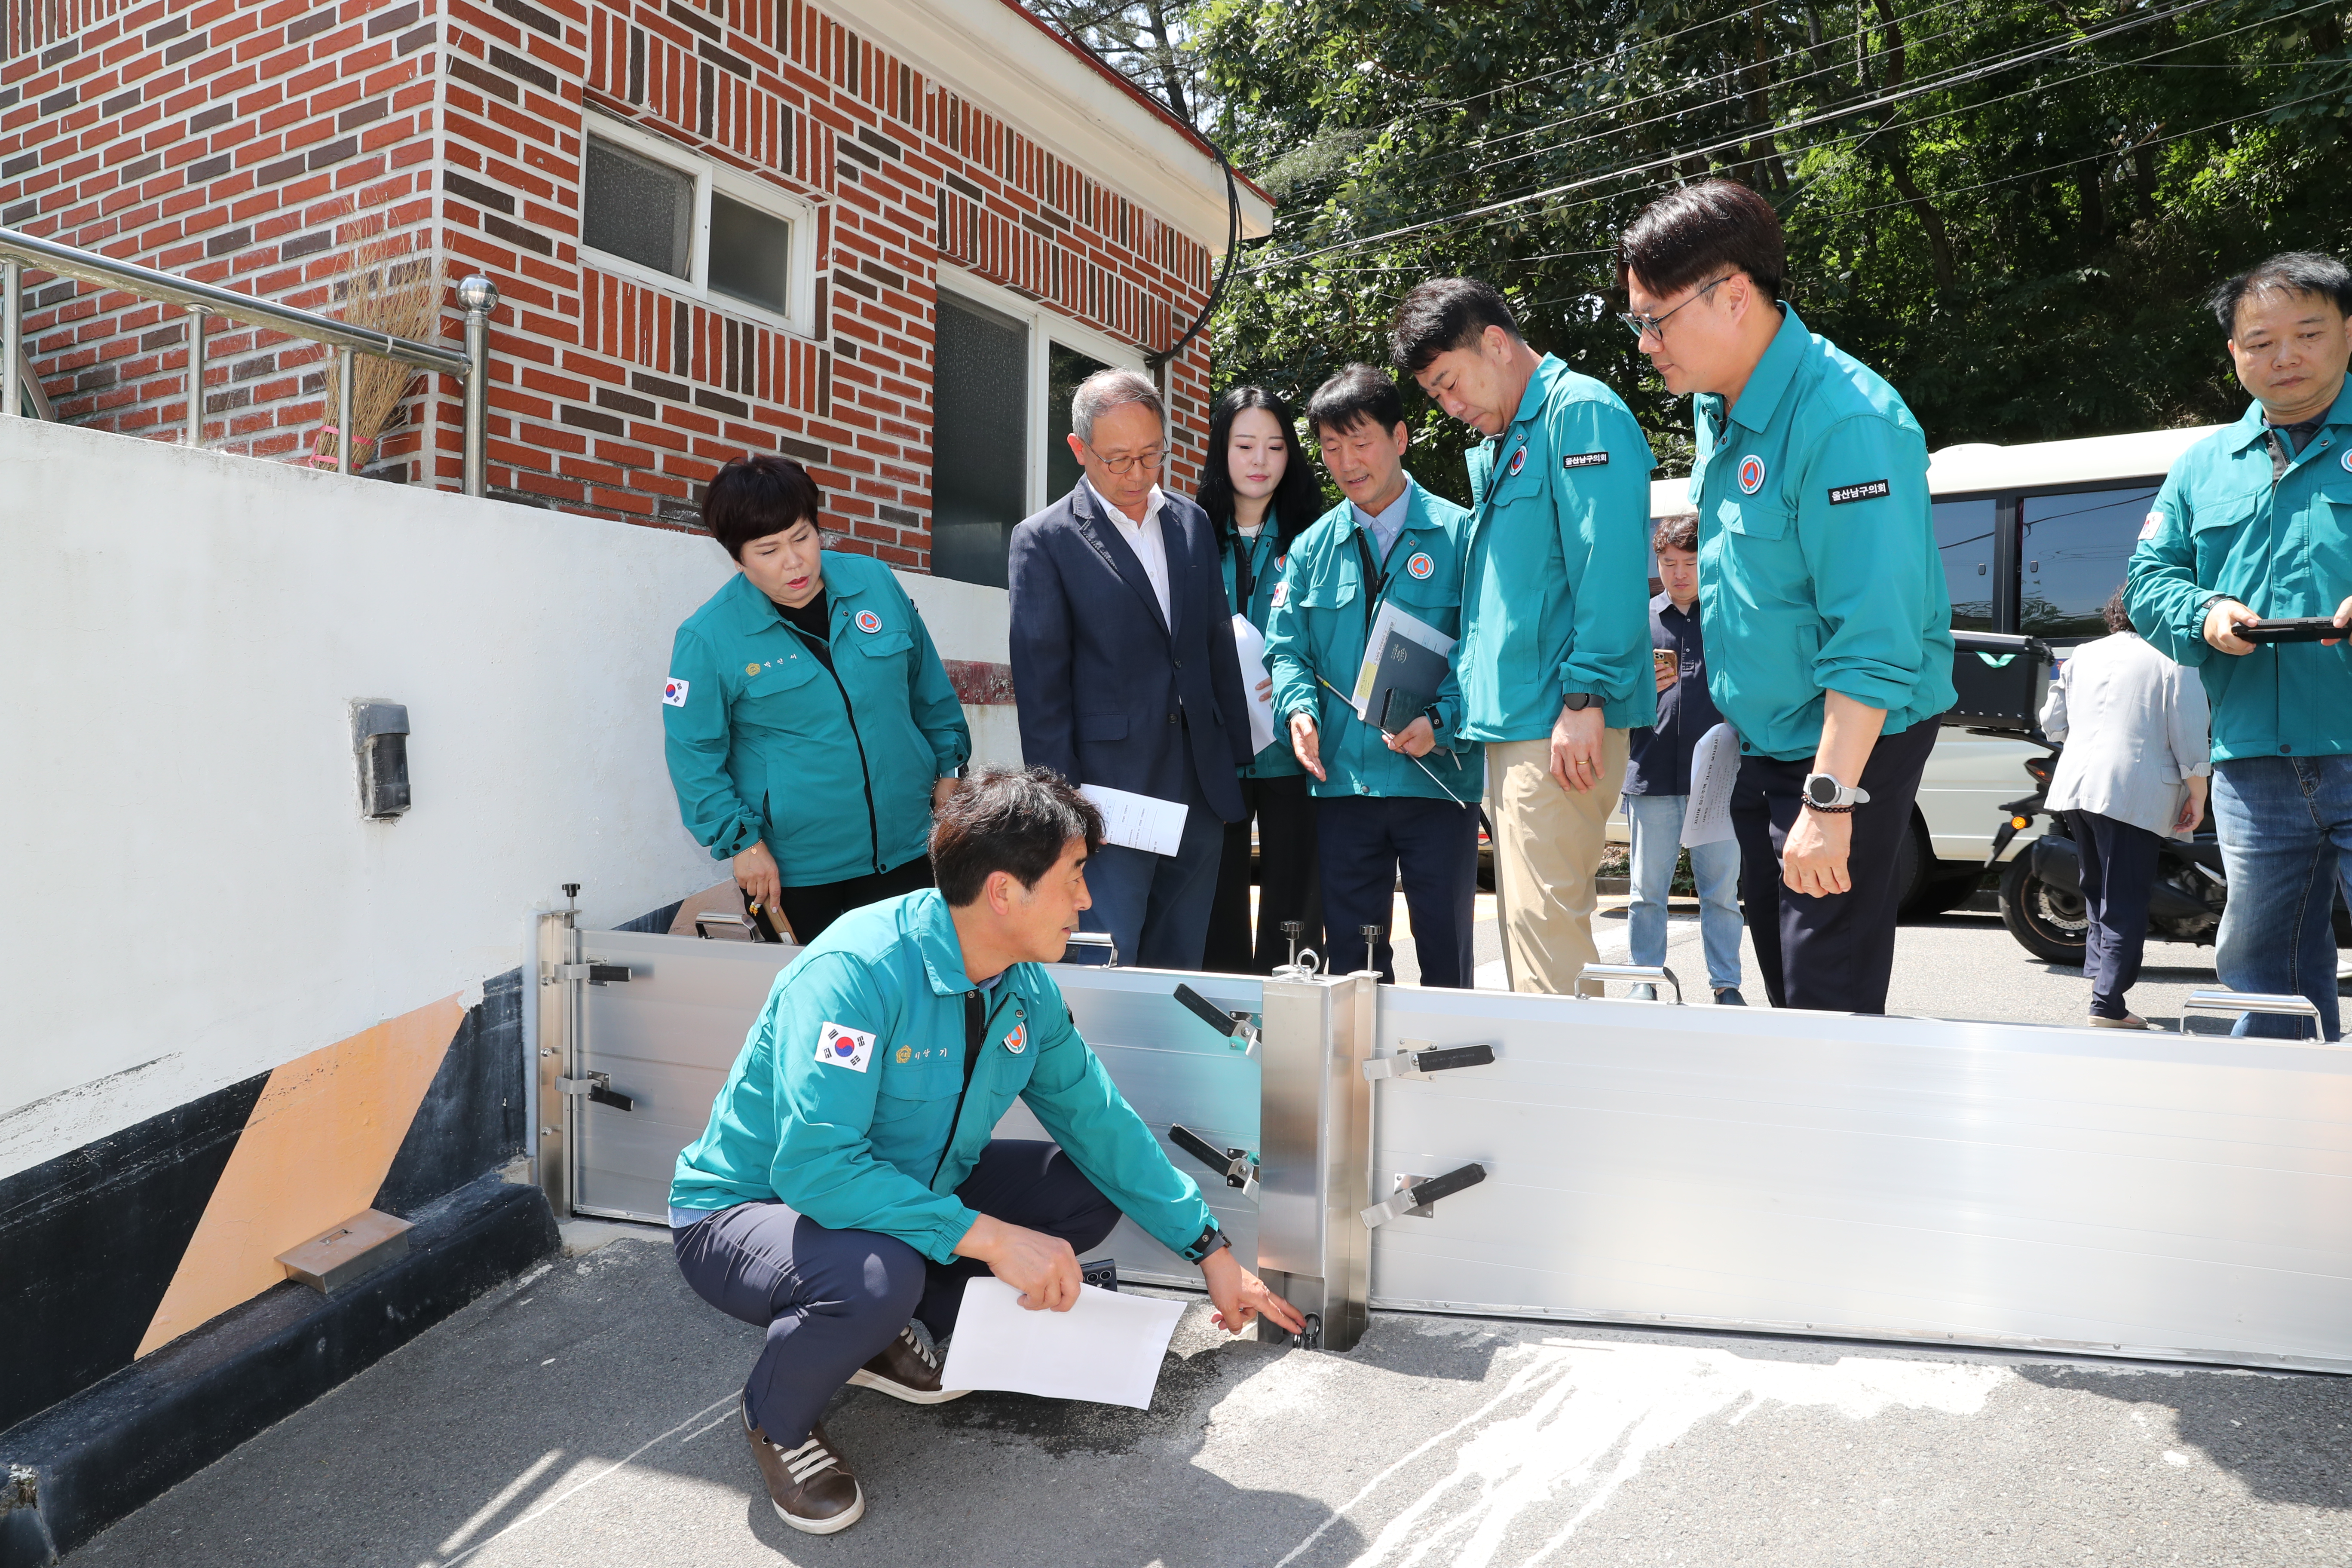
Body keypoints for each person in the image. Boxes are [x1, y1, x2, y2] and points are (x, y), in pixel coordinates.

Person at [668, 767, 1303, 1534]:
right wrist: (997, 1239)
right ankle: (779, 1415)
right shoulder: (856, 973)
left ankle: (879, 1335)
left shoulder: (1022, 987)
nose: (1086, 899)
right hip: (750, 1209)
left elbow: (1099, 1121)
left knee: (1082, 1189)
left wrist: (1208, 1246)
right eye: (1073, 878)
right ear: (1003, 892)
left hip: (902, 1191)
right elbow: (815, 1167)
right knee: (878, 1278)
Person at [1618, 180, 1955, 1016]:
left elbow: (1876, 638)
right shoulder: (1716, 408)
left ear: (1733, 296)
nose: (1646, 343)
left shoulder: (1846, 423)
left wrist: (1830, 801)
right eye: (1637, 322)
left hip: (1848, 748)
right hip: (1767, 741)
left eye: (1655, 319)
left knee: (1825, 1007)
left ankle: (1847, 1146)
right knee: (1788, 994)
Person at [1391, 278, 1656, 996]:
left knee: (1547, 947)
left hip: (1558, 719)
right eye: (1435, 395)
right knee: (1533, 936)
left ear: (1498, 344)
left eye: (1449, 382)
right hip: (1522, 723)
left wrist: (1585, 696)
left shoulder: (1580, 415)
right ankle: (1560, 1098)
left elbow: (1611, 572)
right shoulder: (1518, 439)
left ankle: (1565, 1103)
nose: (1449, 405)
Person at [2125, 250, 2352, 1041]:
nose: (2283, 356)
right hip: (2254, 758)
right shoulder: (2200, 466)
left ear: (2347, 334)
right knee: (2263, 966)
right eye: (2258, 340)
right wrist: (2204, 610)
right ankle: (2282, 1126)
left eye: (2306, 332)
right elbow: (2147, 581)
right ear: (2233, 353)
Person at [663, 456, 969, 945]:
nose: (794, 561)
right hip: (796, 875)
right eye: (768, 550)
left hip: (910, 849)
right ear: (737, 558)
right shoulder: (709, 637)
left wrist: (952, 773)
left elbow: (928, 689)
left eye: (803, 537)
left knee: (914, 999)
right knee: (830, 1017)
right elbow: (693, 754)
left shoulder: (876, 584)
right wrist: (741, 844)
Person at [1007, 368, 1256, 970]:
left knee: (1180, 967)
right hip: (1107, 802)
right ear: (1080, 450)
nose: (1139, 475)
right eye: (1118, 460)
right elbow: (1043, 691)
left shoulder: (1191, 523)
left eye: (1152, 456)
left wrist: (1235, 760)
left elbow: (1216, 647)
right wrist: (1062, 814)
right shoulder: (1044, 540)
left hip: (1196, 787)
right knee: (1105, 961)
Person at [1264, 364, 1483, 985]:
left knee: (1448, 960)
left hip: (1437, 783)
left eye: (1360, 442)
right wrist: (1298, 709)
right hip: (1344, 788)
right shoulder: (1311, 549)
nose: (1346, 461)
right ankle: (1366, 1082)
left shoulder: (1462, 536)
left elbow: (1484, 651)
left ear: (1401, 437)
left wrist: (1442, 720)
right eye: (1331, 448)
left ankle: (1448, 1079)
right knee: (1357, 970)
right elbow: (1288, 651)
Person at [2038, 587, 2212, 1029]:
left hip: (2076, 784)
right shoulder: (2175, 658)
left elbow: (2051, 723)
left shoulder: (2083, 654)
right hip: (2133, 790)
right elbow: (2189, 734)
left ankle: (2102, 985)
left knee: (2097, 889)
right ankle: (2108, 1004)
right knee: (2127, 895)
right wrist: (2197, 791)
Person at [1200, 387, 1328, 974]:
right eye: (1245, 445)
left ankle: (1291, 1036)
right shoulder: (1189, 535)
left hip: (1294, 755)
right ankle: (1225, 1038)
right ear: (1221, 450)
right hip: (1215, 757)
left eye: (1275, 446)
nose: (1259, 461)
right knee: (1214, 911)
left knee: (1296, 911)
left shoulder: (1317, 536)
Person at [1623, 514, 1745, 1006]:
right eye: (1668, 563)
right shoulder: (1640, 621)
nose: (1678, 574)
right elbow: (1612, 698)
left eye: (1690, 563)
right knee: (1644, 892)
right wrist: (1636, 690)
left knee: (1720, 891)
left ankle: (1727, 983)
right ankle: (1644, 978)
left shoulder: (1728, 618)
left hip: (1717, 778)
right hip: (1650, 772)